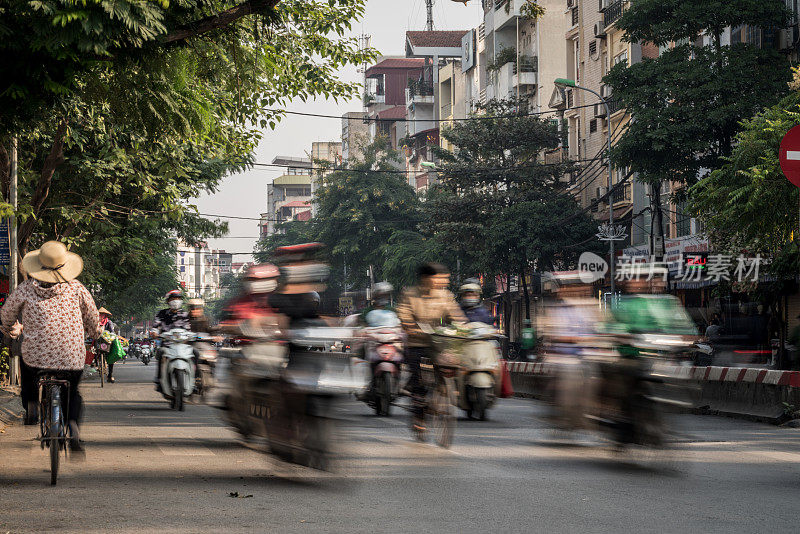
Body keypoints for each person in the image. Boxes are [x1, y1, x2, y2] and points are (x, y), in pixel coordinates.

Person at [0, 241, 99, 452]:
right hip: (70, 357)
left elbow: (7, 313)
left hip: (35, 357)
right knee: (73, 393)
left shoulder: (25, 289)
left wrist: (8, 327)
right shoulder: (77, 288)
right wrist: (95, 334)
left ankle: (32, 405)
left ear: (38, 265)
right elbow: (92, 317)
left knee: (28, 375)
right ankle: (72, 425)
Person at [397, 263, 467, 435]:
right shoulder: (410, 295)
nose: (441, 282)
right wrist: (410, 327)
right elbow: (404, 317)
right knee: (419, 382)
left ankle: (448, 390)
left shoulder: (445, 296)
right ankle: (418, 416)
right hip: (417, 343)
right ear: (426, 279)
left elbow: (457, 317)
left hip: (438, 344)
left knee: (455, 362)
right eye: (437, 278)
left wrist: (463, 327)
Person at [152, 290, 190, 391]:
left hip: (183, 345)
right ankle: (159, 379)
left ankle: (194, 380)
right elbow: (156, 325)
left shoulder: (185, 314)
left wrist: (192, 336)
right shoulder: (161, 313)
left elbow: (189, 329)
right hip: (167, 345)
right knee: (160, 353)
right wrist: (155, 332)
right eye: (173, 299)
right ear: (168, 301)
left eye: (178, 299)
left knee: (195, 353)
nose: (175, 301)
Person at [98, 307, 120, 383]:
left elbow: (112, 331)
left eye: (102, 314)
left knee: (111, 358)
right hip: (98, 341)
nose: (101, 316)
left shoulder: (109, 322)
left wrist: (111, 336)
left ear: (105, 315)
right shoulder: (96, 322)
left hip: (107, 341)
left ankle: (110, 375)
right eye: (99, 314)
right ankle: (96, 362)